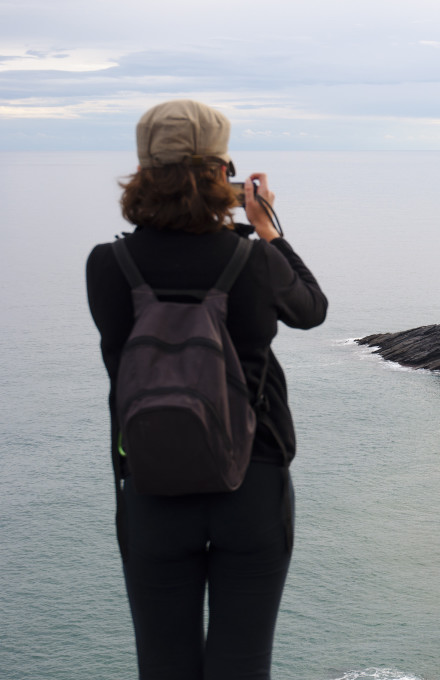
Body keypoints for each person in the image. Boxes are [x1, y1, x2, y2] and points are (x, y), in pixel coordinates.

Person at [86, 99, 328, 679]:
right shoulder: (251, 260)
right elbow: (311, 310)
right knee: (242, 665)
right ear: (223, 173)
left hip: (151, 487)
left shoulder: (109, 265)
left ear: (143, 171)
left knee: (163, 667)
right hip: (252, 481)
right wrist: (268, 229)